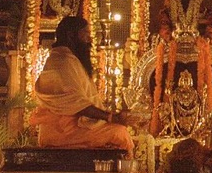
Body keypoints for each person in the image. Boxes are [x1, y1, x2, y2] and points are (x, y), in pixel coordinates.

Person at [30, 16, 134, 154]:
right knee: (119, 133)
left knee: (119, 131)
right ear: (71, 35)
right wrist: (109, 117)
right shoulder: (62, 61)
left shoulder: (67, 59)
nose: (90, 39)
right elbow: (76, 102)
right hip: (62, 131)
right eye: (85, 33)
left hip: (71, 128)